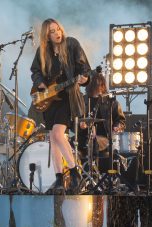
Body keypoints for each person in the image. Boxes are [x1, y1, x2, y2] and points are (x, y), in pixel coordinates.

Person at [30, 18, 91, 193]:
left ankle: (74, 172)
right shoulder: (42, 51)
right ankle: (59, 179)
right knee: (53, 139)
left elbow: (84, 69)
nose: (57, 33)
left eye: (58, 29)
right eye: (52, 31)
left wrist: (85, 78)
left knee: (57, 134)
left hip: (67, 97)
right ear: (46, 35)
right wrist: (40, 82)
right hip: (50, 99)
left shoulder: (71, 44)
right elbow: (35, 70)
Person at [78, 67, 126, 172]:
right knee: (69, 145)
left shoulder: (112, 102)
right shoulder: (82, 101)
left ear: (103, 85)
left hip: (104, 138)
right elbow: (74, 121)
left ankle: (94, 173)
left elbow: (121, 120)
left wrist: (117, 126)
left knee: (94, 142)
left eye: (100, 85)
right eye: (96, 85)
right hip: (83, 138)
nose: (98, 88)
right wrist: (80, 125)